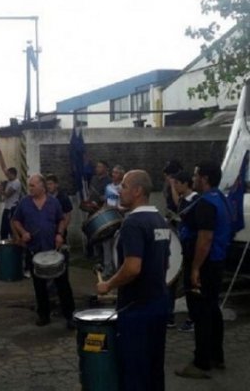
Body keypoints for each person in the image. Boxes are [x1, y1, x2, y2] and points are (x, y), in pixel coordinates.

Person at [97, 170, 170, 391]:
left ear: (138, 191)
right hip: (159, 303)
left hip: (136, 309)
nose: (120, 190)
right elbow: (165, 263)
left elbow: (132, 268)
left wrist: (108, 284)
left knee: (134, 370)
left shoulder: (133, 223)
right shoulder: (160, 220)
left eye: (125, 186)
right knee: (154, 367)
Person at [176, 161, 232, 379]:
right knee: (212, 309)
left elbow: (205, 238)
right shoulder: (222, 199)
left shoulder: (206, 203)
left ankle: (201, 363)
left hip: (205, 265)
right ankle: (217, 356)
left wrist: (195, 269)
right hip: (217, 262)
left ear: (205, 179)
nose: (194, 177)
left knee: (200, 313)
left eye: (197, 174)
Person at [12, 174, 74, 329]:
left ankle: (70, 315)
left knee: (63, 285)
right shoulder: (24, 203)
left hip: (54, 251)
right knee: (39, 286)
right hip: (34, 251)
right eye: (29, 185)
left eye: (33, 185)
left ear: (42, 186)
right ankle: (44, 315)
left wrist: (60, 234)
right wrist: (23, 232)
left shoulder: (54, 203)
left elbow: (61, 219)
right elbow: (15, 220)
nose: (30, 188)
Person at [45, 174, 76, 329]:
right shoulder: (46, 198)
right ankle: (51, 295)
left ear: (56, 184)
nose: (49, 186)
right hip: (49, 236)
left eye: (51, 184)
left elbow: (67, 216)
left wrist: (62, 231)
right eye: (47, 184)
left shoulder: (62, 198)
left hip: (60, 235)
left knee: (61, 264)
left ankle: (61, 296)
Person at [169, 171, 199, 332]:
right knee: (187, 285)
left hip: (192, 247)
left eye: (178, 184)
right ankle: (192, 316)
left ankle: (194, 318)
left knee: (192, 285)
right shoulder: (183, 200)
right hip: (184, 246)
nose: (176, 187)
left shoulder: (195, 201)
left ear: (186, 183)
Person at [100, 165, 125, 279]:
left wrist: (119, 209)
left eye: (116, 173)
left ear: (121, 175)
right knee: (106, 243)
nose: (113, 174)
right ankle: (108, 268)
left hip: (120, 218)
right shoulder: (108, 187)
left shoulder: (123, 187)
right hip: (109, 219)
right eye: (113, 172)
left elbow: (126, 205)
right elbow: (106, 202)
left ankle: (119, 268)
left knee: (118, 244)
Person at [0, 152, 21, 240]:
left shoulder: (16, 183)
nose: (7, 176)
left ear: (13, 174)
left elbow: (8, 194)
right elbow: (3, 167)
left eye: (8, 175)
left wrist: (0, 190)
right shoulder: (10, 180)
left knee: (11, 230)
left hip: (12, 209)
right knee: (3, 230)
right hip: (7, 208)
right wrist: (0, 154)